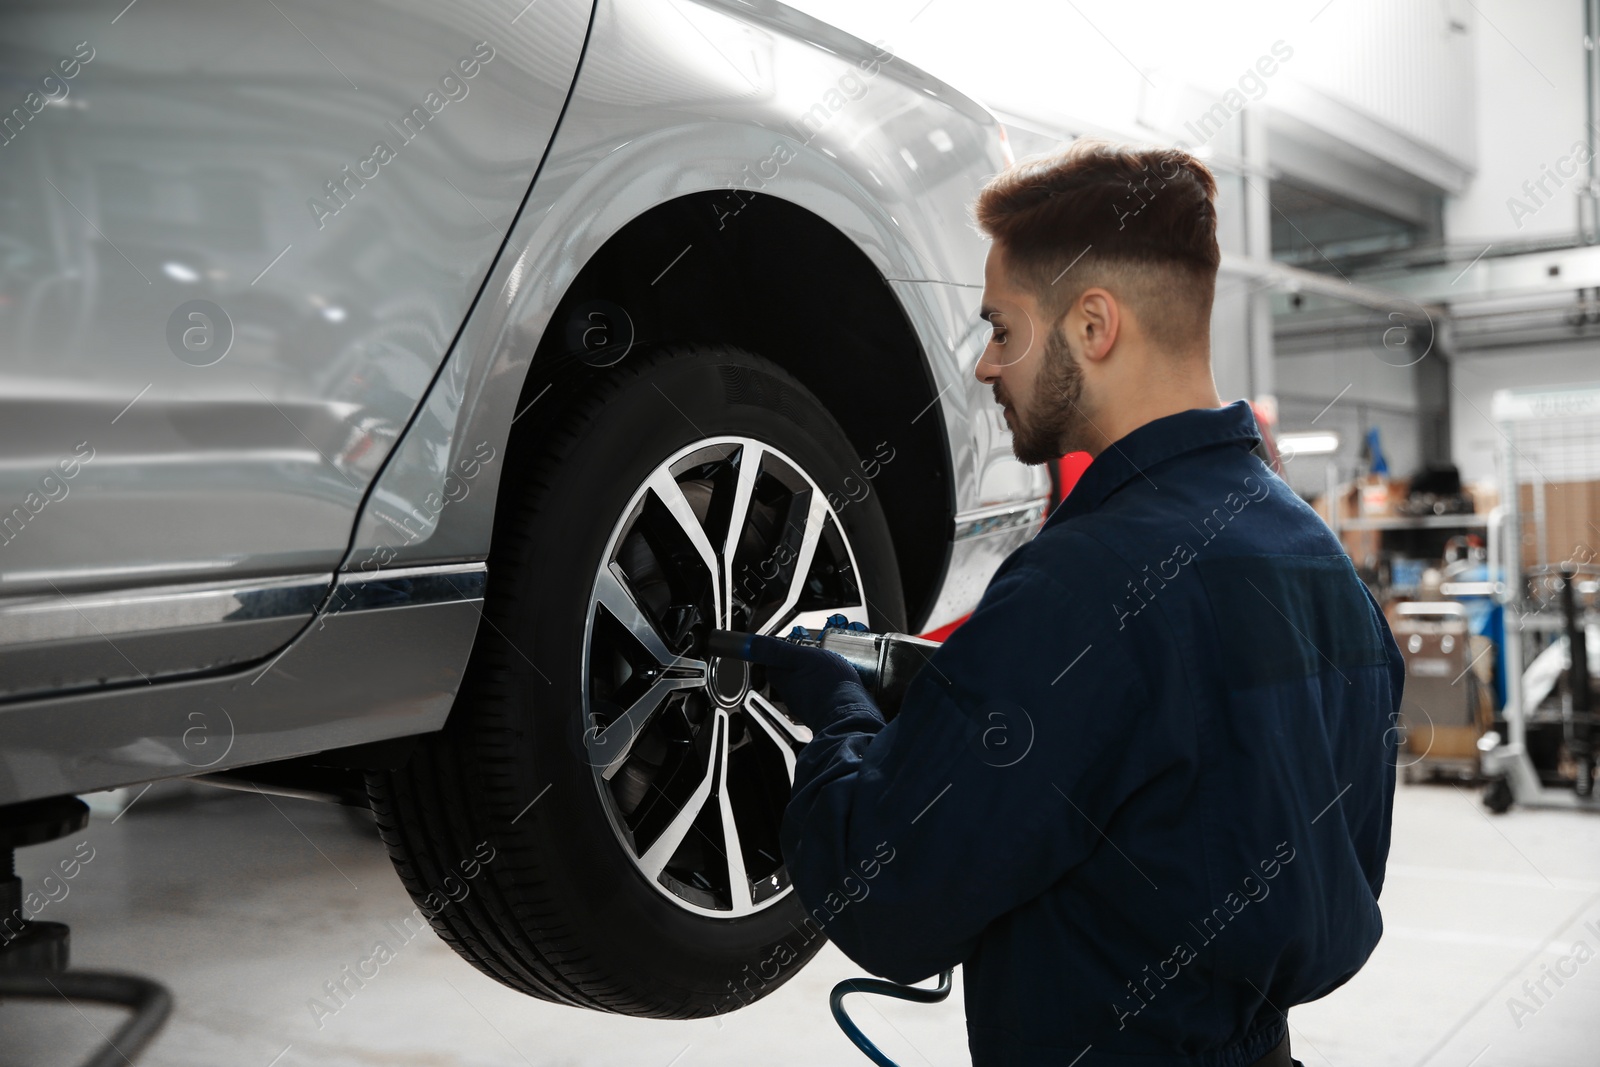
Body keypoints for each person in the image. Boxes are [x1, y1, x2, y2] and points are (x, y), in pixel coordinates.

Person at [746, 140, 1405, 1067]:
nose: (986, 367)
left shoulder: (1081, 584)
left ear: (1094, 325)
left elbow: (885, 900)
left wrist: (839, 723)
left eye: (1004, 329)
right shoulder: (1324, 570)